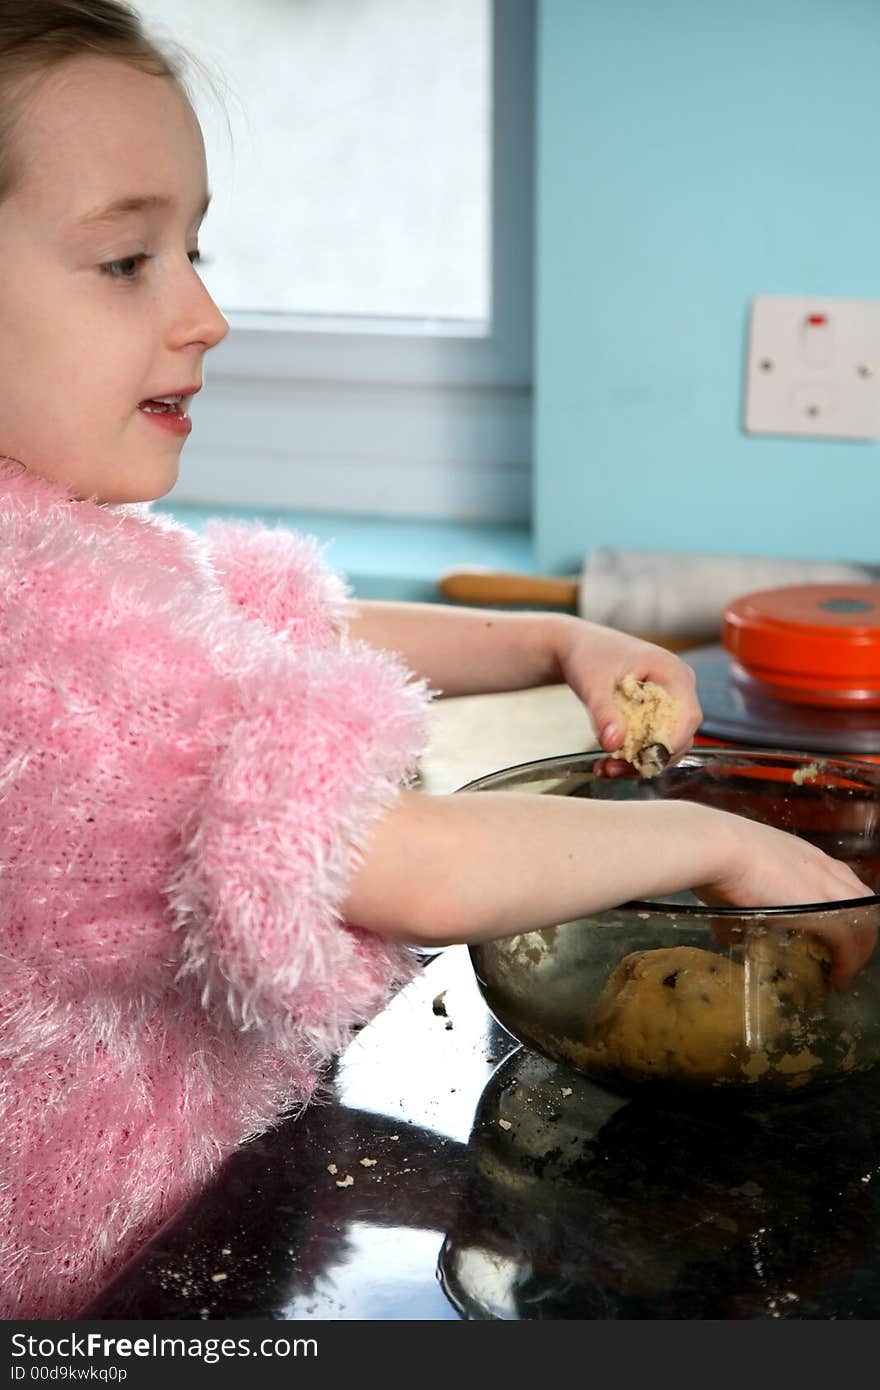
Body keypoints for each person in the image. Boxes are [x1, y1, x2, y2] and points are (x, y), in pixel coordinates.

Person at [0, 1, 872, 1321]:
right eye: (127, 259)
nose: (205, 312)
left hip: (198, 1186)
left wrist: (550, 634)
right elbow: (378, 856)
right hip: (104, 1289)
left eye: (196, 246)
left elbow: (250, 624)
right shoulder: (25, 628)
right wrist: (715, 842)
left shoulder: (56, 545)